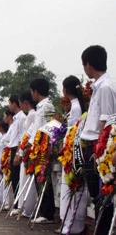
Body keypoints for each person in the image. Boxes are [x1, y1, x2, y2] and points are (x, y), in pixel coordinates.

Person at [80, 45, 116, 235]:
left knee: (101, 195)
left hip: (97, 146)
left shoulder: (106, 87)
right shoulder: (99, 86)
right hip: (92, 144)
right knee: (96, 195)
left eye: (83, 65)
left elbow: (107, 120)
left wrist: (99, 151)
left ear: (89, 65)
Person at [57, 75, 87, 234]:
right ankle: (67, 223)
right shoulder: (75, 106)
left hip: (72, 151)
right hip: (69, 149)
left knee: (70, 186)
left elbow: (74, 131)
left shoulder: (76, 108)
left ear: (66, 90)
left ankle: (72, 225)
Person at [29, 78, 56, 224]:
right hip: (36, 149)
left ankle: (47, 213)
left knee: (44, 180)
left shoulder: (47, 107)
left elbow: (49, 129)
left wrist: (44, 149)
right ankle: (44, 211)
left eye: (32, 91)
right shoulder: (41, 107)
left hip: (43, 149)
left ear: (36, 91)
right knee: (39, 180)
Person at [13, 91, 37, 218]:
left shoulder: (32, 115)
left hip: (27, 149)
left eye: (20, 102)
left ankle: (28, 207)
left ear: (25, 102)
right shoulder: (29, 115)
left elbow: (27, 136)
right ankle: (23, 205)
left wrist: (20, 152)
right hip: (24, 149)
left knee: (26, 180)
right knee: (23, 179)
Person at [6, 95, 26, 214]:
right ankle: (16, 203)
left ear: (15, 103)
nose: (9, 105)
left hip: (17, 149)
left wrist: (18, 153)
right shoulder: (16, 118)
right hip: (13, 148)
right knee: (14, 178)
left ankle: (19, 205)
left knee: (17, 178)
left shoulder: (22, 117)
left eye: (10, 103)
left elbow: (21, 137)